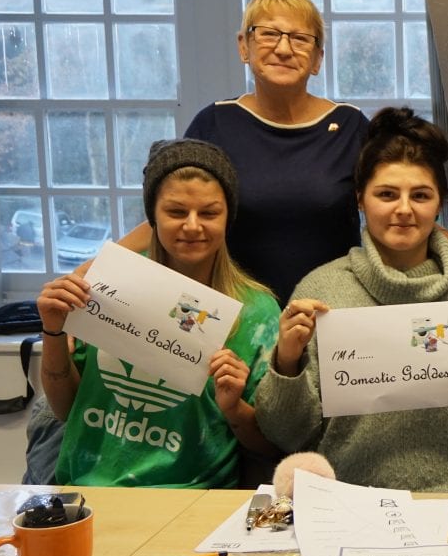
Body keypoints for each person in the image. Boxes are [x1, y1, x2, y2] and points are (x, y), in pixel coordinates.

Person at [111, 0, 448, 310]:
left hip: (336, 311)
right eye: (267, 33)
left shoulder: (351, 126)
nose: (283, 49)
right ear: (243, 46)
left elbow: (401, 206)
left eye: (300, 38)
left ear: (318, 57)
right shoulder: (213, 124)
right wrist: (95, 272)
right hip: (236, 314)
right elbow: (172, 217)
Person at [254, 108, 448, 492]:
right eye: (387, 194)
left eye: (421, 195)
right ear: (360, 200)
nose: (404, 209)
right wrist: (287, 362)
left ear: (440, 203)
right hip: (349, 504)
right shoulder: (320, 291)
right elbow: (285, 433)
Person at [37, 139, 281, 488]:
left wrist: (233, 407)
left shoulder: (258, 313)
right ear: (153, 216)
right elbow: (66, 410)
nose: (193, 226)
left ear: (229, 217)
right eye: (177, 212)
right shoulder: (108, 283)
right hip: (88, 488)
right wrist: (53, 332)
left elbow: (269, 444)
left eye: (210, 213)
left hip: (194, 495)